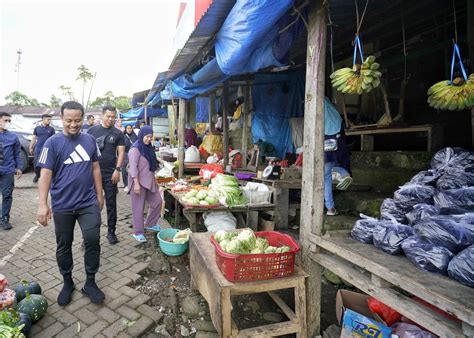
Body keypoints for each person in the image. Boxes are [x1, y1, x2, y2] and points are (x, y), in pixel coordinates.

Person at [36, 101, 105, 306]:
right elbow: (45, 174)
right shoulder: (52, 143)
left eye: (77, 120)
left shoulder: (90, 140)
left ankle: (90, 283)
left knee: (92, 240)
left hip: (88, 202)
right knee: (63, 245)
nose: (73, 124)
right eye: (69, 120)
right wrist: (42, 204)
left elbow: (95, 169)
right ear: (61, 119)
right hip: (63, 205)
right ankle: (67, 282)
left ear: (83, 119)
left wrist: (99, 194)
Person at [87, 105, 125, 244]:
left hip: (110, 174)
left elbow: (121, 153)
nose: (110, 119)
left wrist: (118, 169)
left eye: (113, 116)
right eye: (108, 116)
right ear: (102, 115)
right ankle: (90, 236)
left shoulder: (118, 133)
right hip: (92, 174)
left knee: (111, 204)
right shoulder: (92, 131)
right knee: (91, 205)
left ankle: (111, 232)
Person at [128, 126, 162, 242]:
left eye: (150, 137)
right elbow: (133, 168)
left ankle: (150, 223)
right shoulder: (135, 149)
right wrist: (136, 183)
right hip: (138, 182)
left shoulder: (149, 148)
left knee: (157, 201)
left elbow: (151, 167)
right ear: (142, 135)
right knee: (138, 208)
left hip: (149, 181)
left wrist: (155, 181)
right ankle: (138, 232)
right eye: (147, 137)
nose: (148, 139)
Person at [324, 97, 352, 216]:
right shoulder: (334, 115)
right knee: (339, 163)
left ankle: (330, 208)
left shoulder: (317, 114)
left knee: (326, 177)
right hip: (337, 141)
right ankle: (344, 174)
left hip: (323, 145)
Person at [0, 112, 23, 230]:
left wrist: (19, 167)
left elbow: (17, 153)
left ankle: (4, 219)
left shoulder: (13, 137)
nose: (8, 123)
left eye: (9, 121)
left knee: (7, 195)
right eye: (6, 120)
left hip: (7, 170)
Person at [29, 114, 55, 183]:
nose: (50, 121)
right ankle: (37, 175)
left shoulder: (51, 129)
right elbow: (34, 138)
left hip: (47, 149)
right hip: (38, 148)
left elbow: (54, 140)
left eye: (50, 120)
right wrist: (31, 147)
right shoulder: (37, 128)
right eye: (48, 119)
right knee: (36, 163)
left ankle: (46, 177)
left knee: (47, 164)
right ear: (43, 120)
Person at [122, 125, 137, 192]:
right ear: (125, 129)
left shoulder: (135, 136)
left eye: (130, 128)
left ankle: (132, 184)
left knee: (132, 170)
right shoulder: (123, 136)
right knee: (124, 170)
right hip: (125, 154)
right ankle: (126, 185)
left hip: (133, 155)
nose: (129, 129)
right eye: (128, 128)